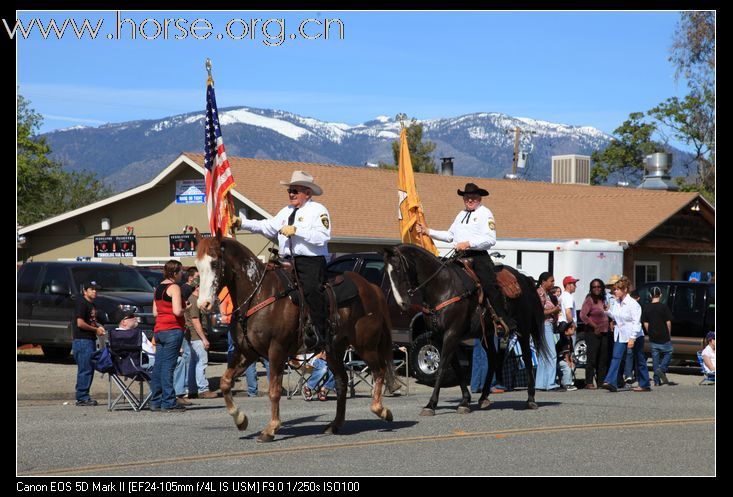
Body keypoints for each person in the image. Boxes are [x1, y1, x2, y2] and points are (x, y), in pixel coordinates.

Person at [234, 170, 332, 350]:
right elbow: (266, 226)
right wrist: (243, 223)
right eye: (290, 190)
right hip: (285, 260)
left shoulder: (318, 210)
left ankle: (321, 333)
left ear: (307, 192)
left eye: (295, 190)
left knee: (311, 290)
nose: (291, 194)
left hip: (309, 261)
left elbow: (323, 237)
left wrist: (297, 231)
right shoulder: (285, 211)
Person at [416, 182, 516, 334]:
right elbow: (450, 236)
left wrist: (468, 243)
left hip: (478, 257)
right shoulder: (461, 215)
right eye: (467, 197)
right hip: (459, 256)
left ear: (479, 198)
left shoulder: (485, 213)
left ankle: (502, 320)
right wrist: (428, 231)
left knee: (490, 285)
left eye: (473, 197)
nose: (469, 200)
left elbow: (490, 239)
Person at [601, 276, 651, 392]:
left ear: (625, 290)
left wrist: (632, 338)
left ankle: (645, 384)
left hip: (635, 335)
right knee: (616, 357)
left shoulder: (633, 304)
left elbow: (636, 322)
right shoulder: (617, 303)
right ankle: (610, 381)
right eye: (615, 289)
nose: (615, 291)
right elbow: (616, 316)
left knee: (639, 359)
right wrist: (607, 311)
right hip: (620, 334)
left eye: (618, 289)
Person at [150, 260, 187, 412]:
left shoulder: (158, 288)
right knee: (168, 367)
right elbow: (177, 311)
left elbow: (155, 312)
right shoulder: (174, 288)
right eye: (180, 272)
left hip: (159, 330)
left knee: (158, 366)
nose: (182, 275)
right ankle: (169, 401)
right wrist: (186, 308)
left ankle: (156, 401)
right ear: (175, 273)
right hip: (172, 329)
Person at [73, 281, 106, 406]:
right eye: (91, 289)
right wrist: (95, 330)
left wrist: (98, 327)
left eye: (96, 289)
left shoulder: (91, 304)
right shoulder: (82, 303)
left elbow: (91, 321)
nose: (94, 291)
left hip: (89, 339)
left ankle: (83, 395)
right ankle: (82, 397)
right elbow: (80, 323)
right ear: (84, 291)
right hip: (82, 340)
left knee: (88, 368)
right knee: (85, 369)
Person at [186, 278, 218, 399]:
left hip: (194, 336)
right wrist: (204, 339)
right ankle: (203, 389)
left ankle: (192, 390)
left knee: (194, 363)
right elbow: (195, 321)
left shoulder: (196, 300)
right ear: (197, 287)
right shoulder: (193, 301)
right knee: (201, 363)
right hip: (196, 336)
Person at [579, 278, 611, 389]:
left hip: (605, 332)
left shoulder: (603, 299)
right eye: (594, 287)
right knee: (592, 358)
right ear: (591, 289)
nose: (596, 289)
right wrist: (594, 326)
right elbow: (583, 315)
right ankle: (589, 382)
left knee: (603, 358)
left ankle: (601, 381)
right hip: (592, 332)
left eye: (598, 286)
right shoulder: (589, 300)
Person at [642, 286, 675, 386]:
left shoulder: (646, 307)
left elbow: (645, 323)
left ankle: (656, 380)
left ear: (650, 295)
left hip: (653, 336)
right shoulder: (663, 307)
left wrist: (650, 332)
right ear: (661, 295)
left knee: (655, 357)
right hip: (664, 335)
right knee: (669, 352)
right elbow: (668, 322)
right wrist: (668, 334)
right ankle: (662, 369)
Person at [535, 272, 563, 391]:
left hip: (545, 326)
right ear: (543, 281)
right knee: (551, 354)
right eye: (551, 281)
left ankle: (541, 383)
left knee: (543, 355)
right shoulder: (540, 293)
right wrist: (554, 310)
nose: (553, 283)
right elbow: (539, 312)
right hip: (545, 325)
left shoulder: (546, 294)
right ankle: (550, 383)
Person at [558, 276, 579, 346]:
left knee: (564, 351)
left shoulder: (561, 296)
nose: (576, 286)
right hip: (568, 327)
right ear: (568, 285)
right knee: (569, 351)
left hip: (562, 326)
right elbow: (568, 312)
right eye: (574, 284)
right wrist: (572, 326)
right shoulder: (568, 296)